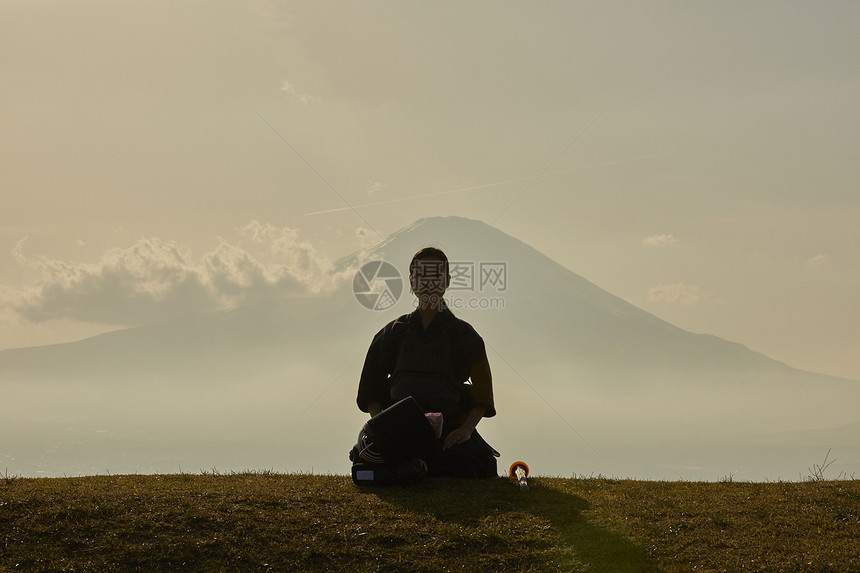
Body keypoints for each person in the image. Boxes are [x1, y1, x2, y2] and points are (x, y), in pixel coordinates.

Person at [356, 247, 498, 478]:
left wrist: (466, 430)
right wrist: (383, 429)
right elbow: (371, 389)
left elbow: (483, 395)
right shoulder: (393, 333)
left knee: (477, 463)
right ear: (411, 281)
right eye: (421, 276)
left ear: (447, 281)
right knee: (368, 463)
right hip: (400, 431)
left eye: (435, 276)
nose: (428, 283)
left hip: (449, 432)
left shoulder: (465, 335)